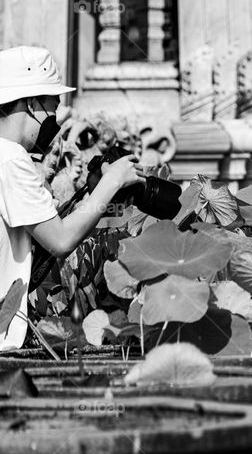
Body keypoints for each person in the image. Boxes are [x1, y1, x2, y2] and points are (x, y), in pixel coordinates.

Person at [0, 46, 144, 349]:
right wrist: (113, 181)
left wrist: (45, 175)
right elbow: (61, 240)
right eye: (52, 107)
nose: (54, 117)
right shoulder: (11, 158)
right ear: (31, 103)